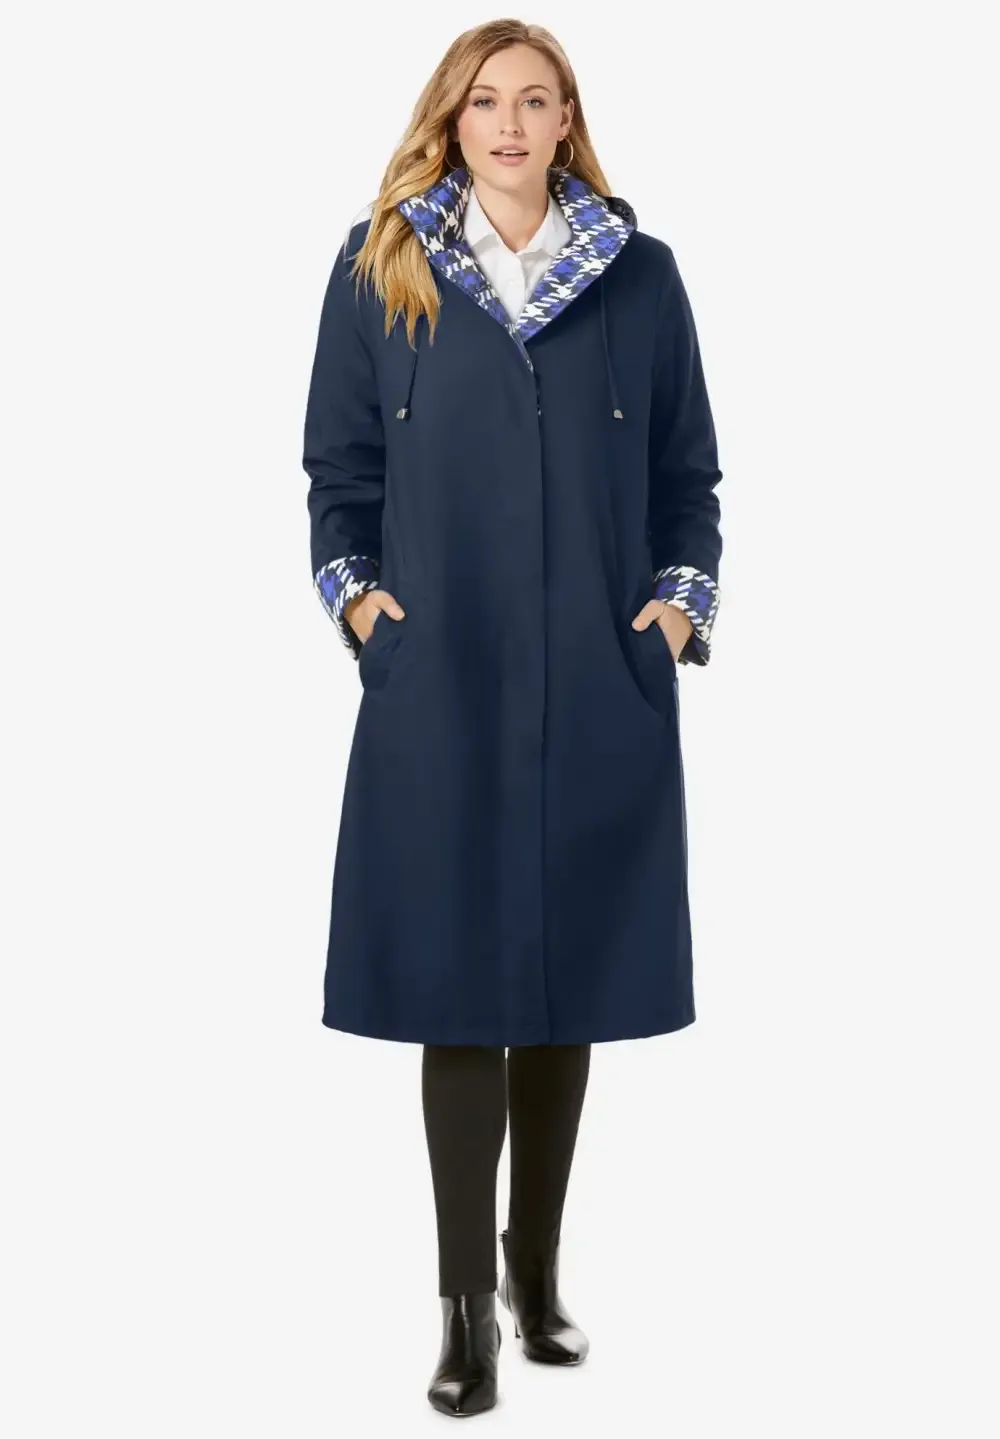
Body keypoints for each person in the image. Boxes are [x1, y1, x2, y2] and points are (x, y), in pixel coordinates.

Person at [301, 18, 723, 1419]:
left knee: (566, 988)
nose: (510, 123)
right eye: (486, 100)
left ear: (565, 124)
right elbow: (337, 474)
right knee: (457, 990)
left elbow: (690, 477)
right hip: (445, 683)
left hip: (600, 678)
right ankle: (462, 1309)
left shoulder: (641, 277)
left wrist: (672, 614)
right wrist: (367, 612)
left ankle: (535, 1275)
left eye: (537, 101)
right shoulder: (380, 269)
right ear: (453, 119)